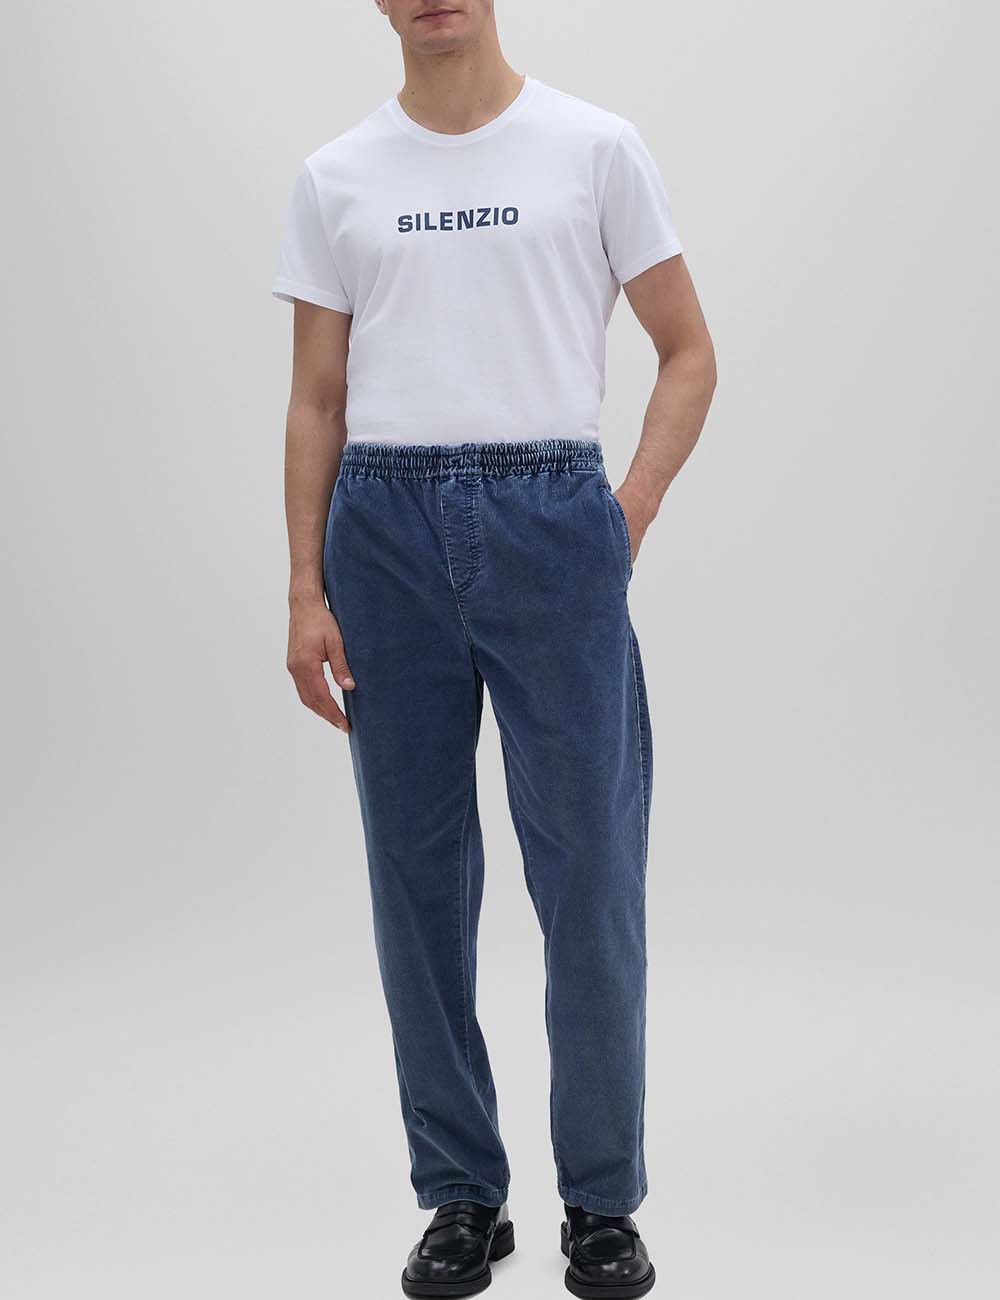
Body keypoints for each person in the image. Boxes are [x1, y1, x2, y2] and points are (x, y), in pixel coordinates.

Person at [272, 2, 716, 1295]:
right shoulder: (337, 176)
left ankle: (601, 1202)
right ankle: (462, 1193)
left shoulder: (594, 147)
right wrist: (304, 587)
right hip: (383, 533)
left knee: (588, 872)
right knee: (415, 876)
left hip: (551, 519)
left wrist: (623, 512)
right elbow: (317, 396)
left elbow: (688, 351)